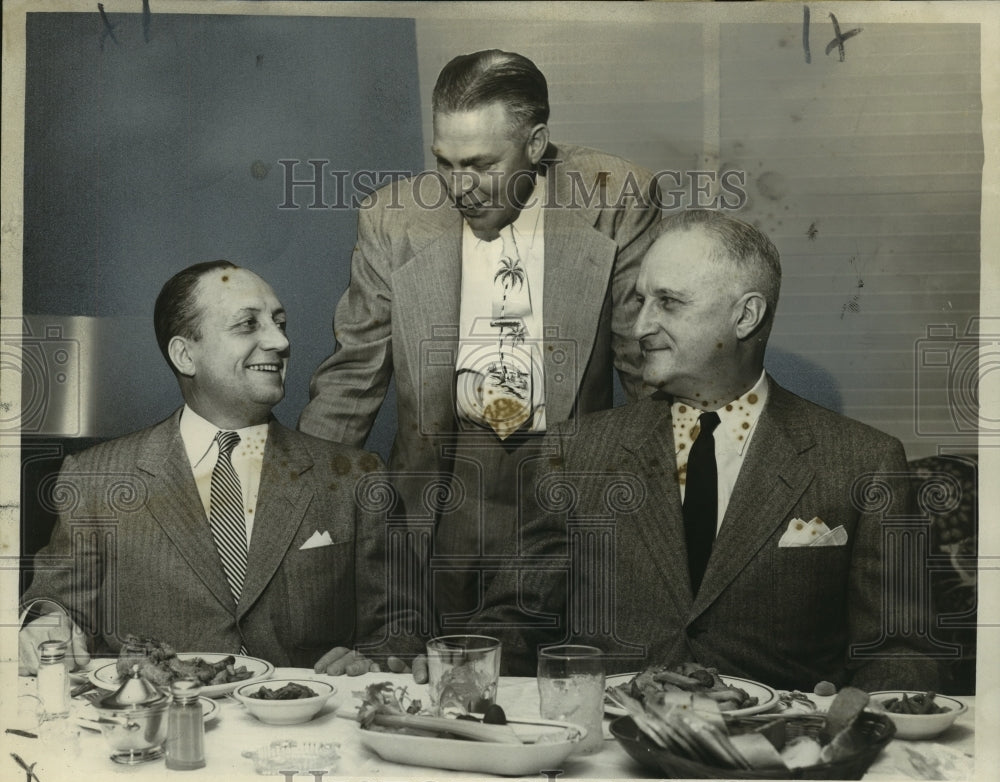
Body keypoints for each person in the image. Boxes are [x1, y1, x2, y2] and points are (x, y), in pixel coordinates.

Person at [470, 210, 940, 692]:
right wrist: (460, 668)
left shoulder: (864, 461)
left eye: (669, 302)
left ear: (746, 316)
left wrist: (856, 727)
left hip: (779, 753)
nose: (639, 327)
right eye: (640, 301)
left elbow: (899, 651)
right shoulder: (575, 452)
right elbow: (514, 618)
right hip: (613, 745)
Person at [298, 49, 660, 623]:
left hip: (571, 492)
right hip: (441, 498)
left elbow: (648, 367)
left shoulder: (615, 196)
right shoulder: (390, 218)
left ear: (536, 144)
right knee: (439, 682)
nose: (458, 186)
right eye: (444, 162)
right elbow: (352, 377)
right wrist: (292, 495)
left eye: (480, 163)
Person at [19, 261, 425, 680]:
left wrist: (373, 661)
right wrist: (48, 623)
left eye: (280, 322)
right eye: (248, 324)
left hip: (302, 736)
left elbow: (402, 629)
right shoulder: (96, 480)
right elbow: (58, 607)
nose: (280, 340)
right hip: (158, 729)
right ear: (185, 355)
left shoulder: (355, 477)